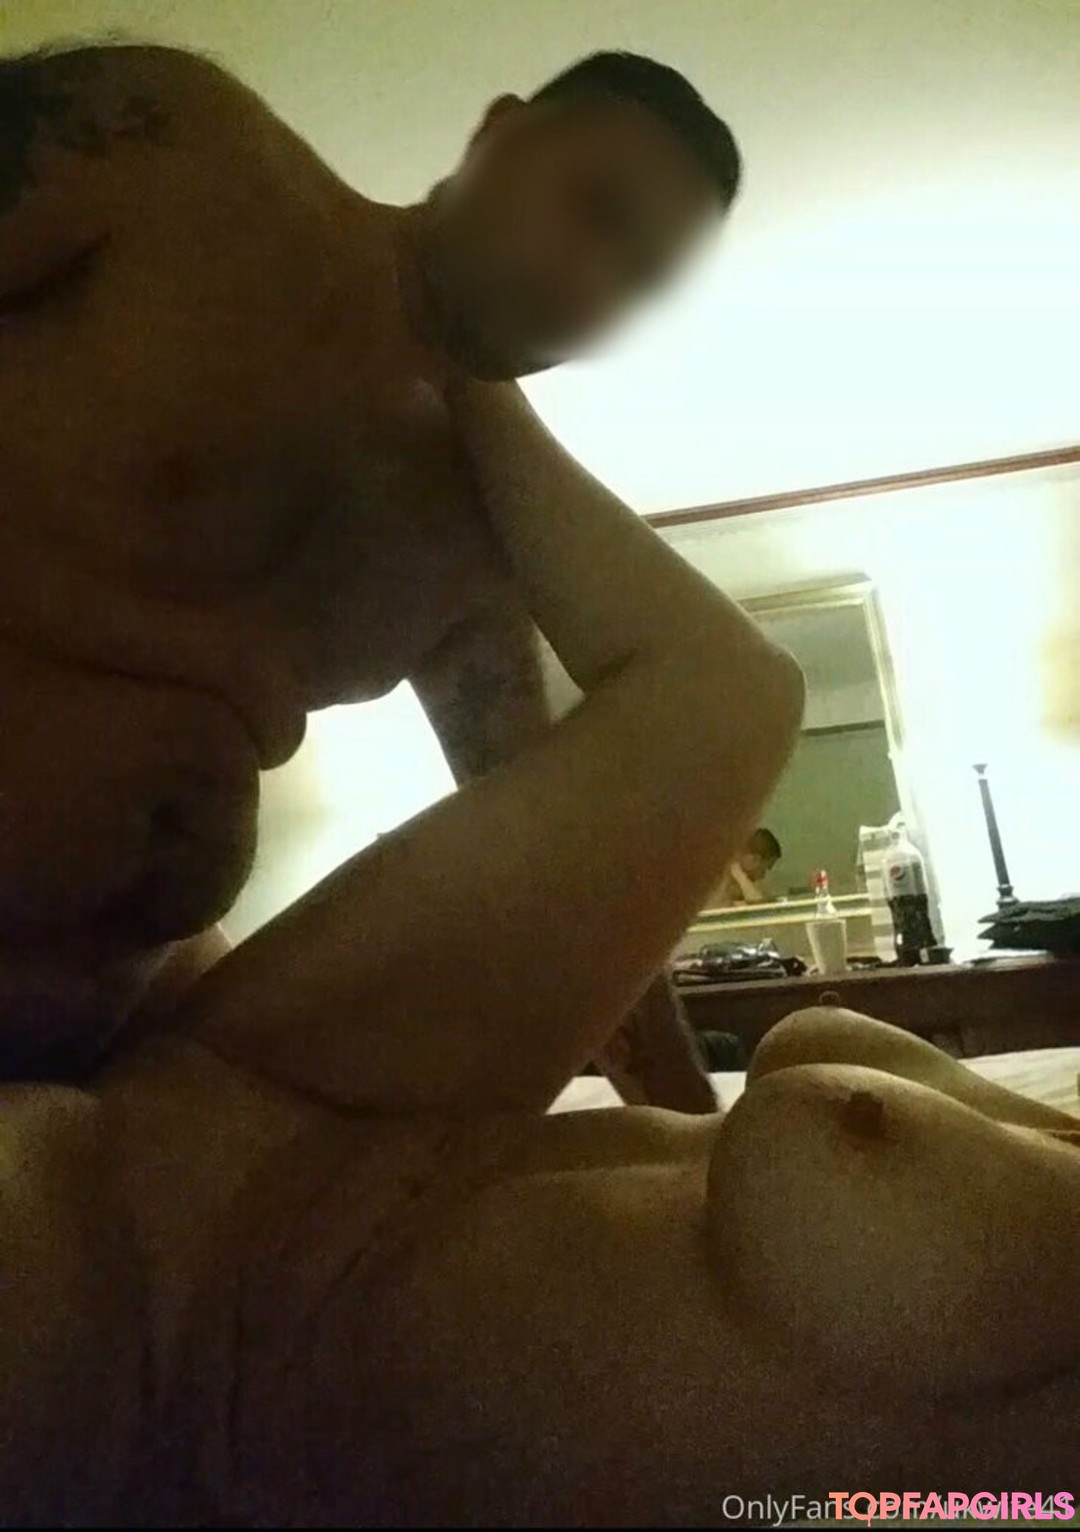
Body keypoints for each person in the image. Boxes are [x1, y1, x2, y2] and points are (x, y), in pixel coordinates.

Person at [3, 389, 1080, 1526]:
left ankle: (450, 354)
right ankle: (454, 353)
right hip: (296, 1131)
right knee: (731, 693)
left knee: (718, 689)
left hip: (182, 1303)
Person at [0, 41, 747, 1110]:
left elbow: (552, 870)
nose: (593, 286)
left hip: (92, 1050)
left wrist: (683, 1120)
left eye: (641, 280)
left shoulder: (475, 541)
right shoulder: (178, 150)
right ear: (498, 134)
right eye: (594, 209)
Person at [715, 825, 783, 905]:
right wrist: (740, 876)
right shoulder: (724, 881)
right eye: (768, 867)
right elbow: (759, 908)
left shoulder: (748, 883)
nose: (764, 875)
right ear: (755, 859)